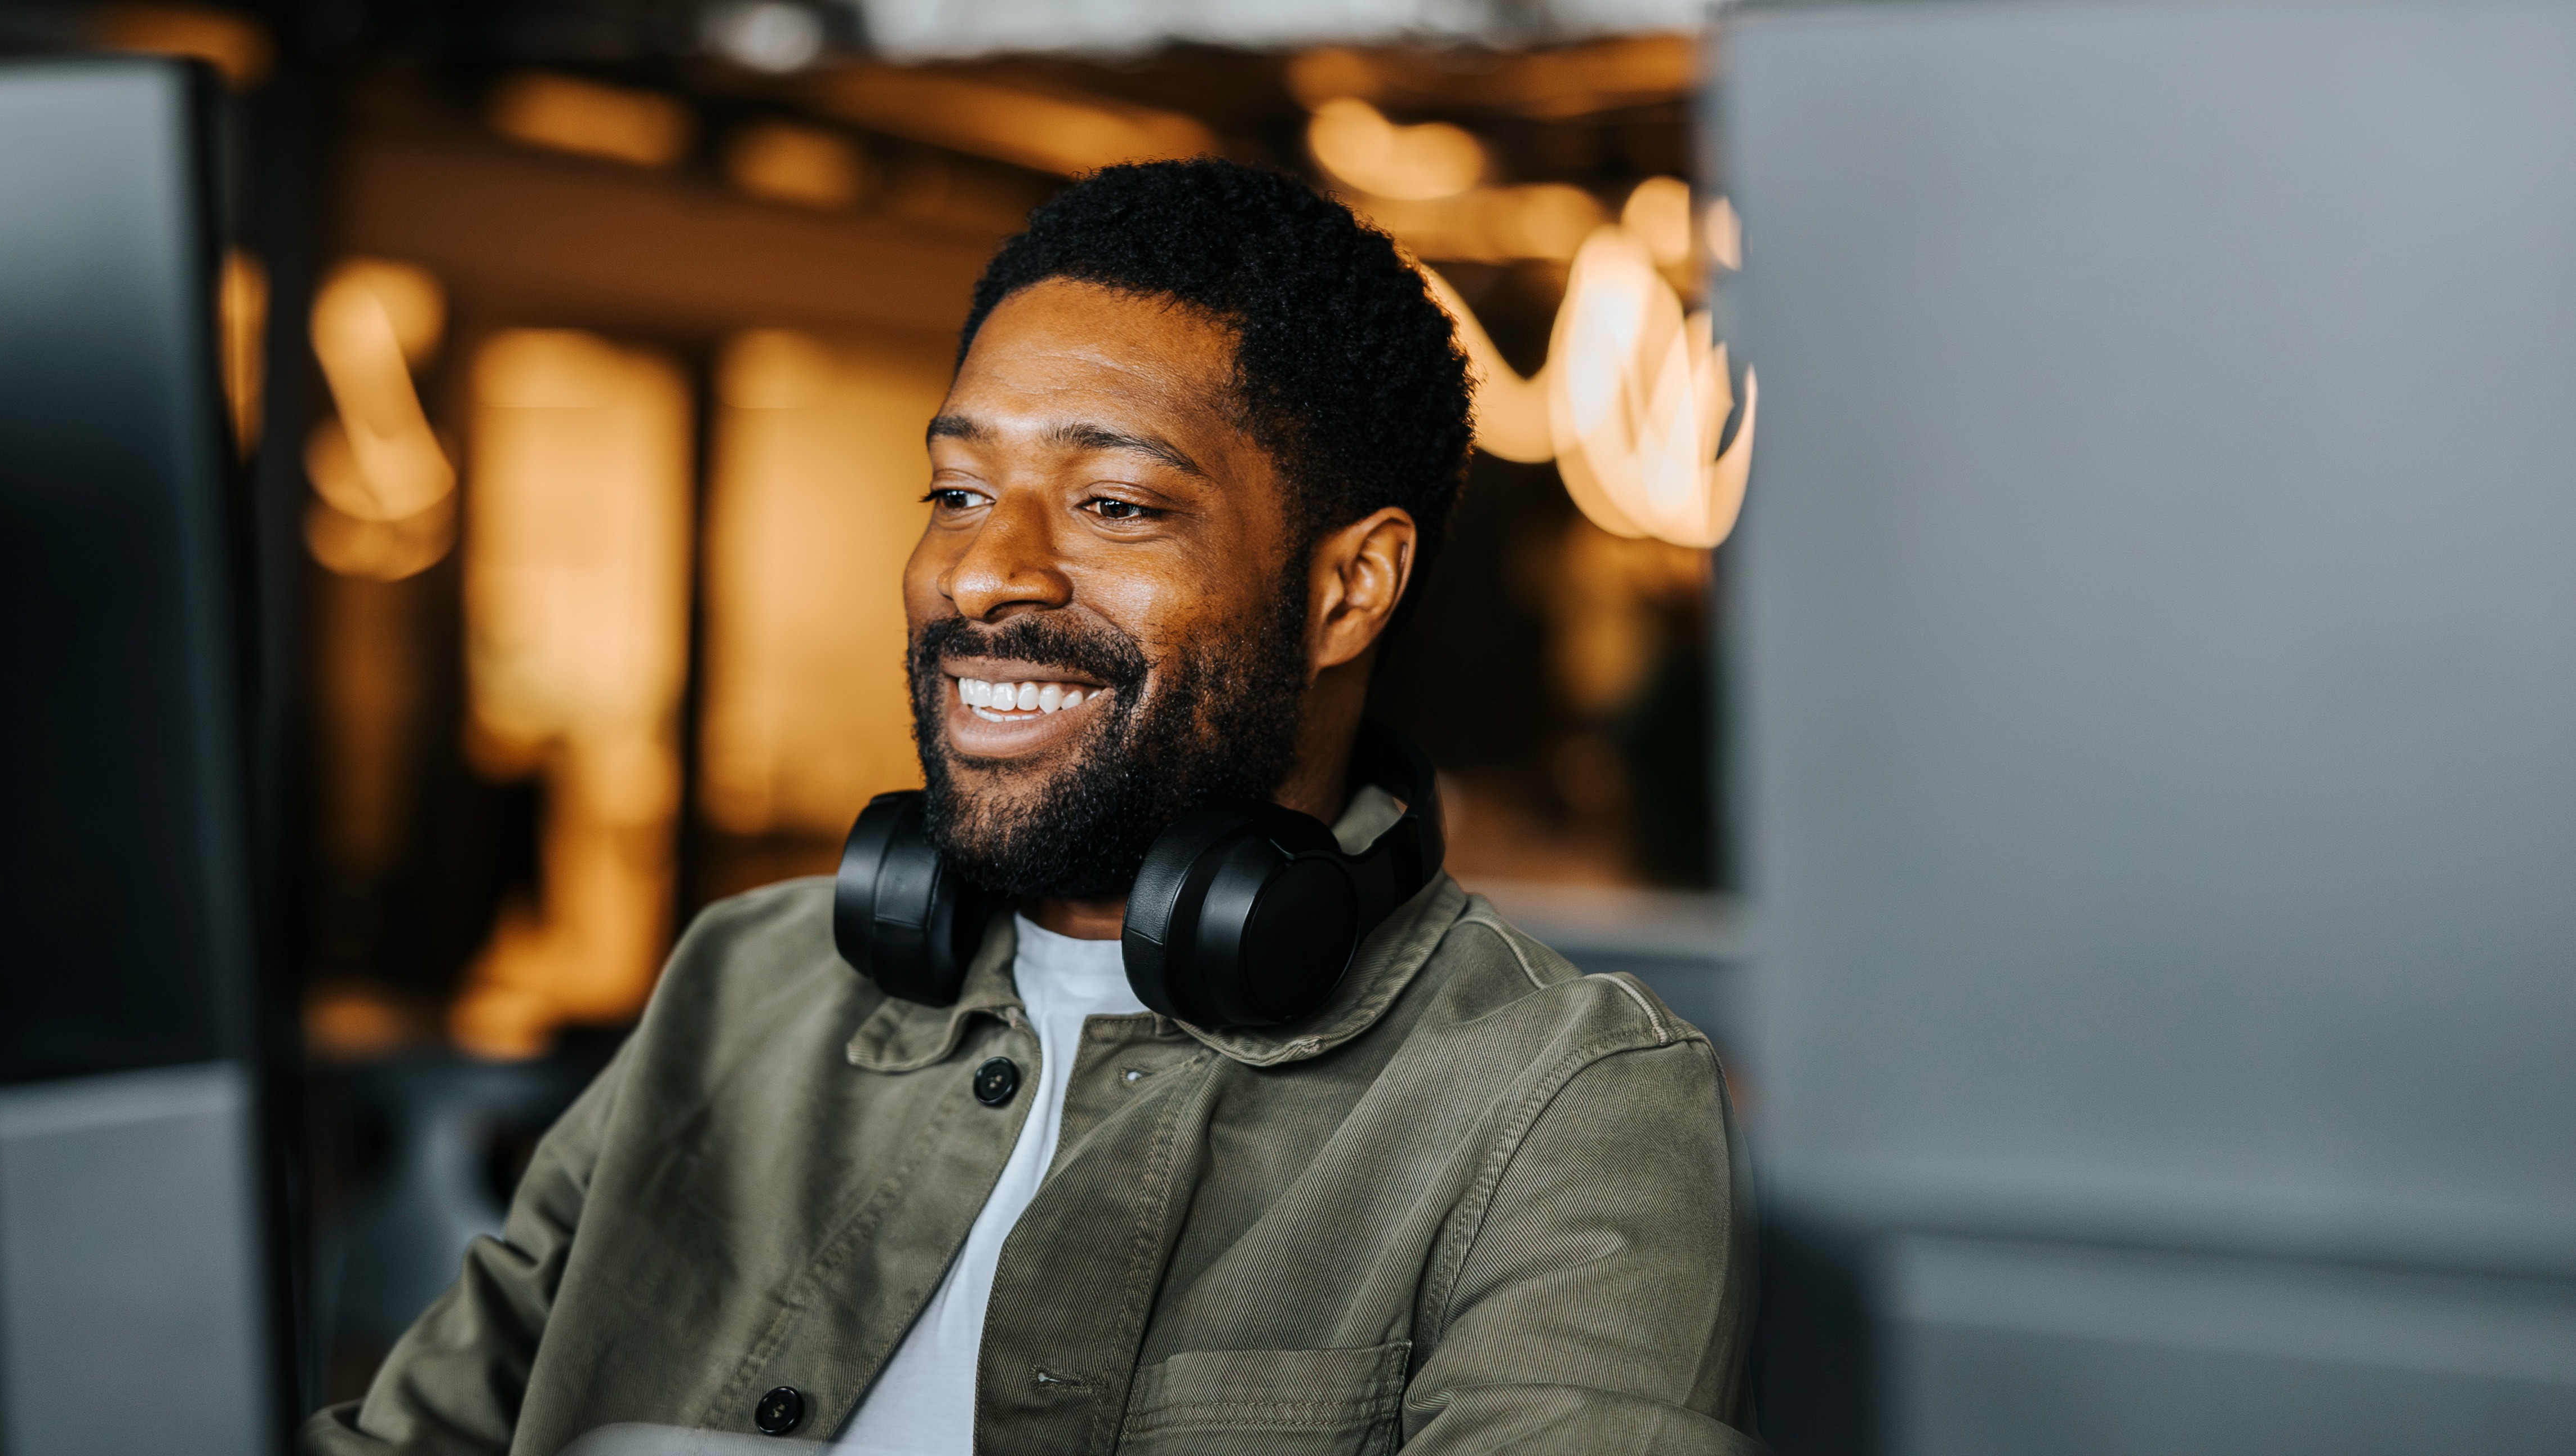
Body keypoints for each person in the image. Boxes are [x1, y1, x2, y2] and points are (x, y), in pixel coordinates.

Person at [305, 158, 1755, 1456]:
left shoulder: (1563, 1105)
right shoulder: (744, 981)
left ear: (1346, 588)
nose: (985, 571)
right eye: (954, 487)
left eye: (1115, 504)